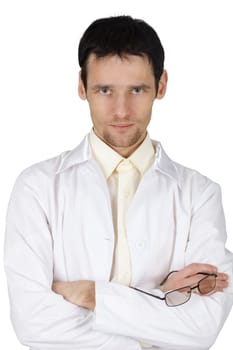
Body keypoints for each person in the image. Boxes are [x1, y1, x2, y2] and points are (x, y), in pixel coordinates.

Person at [4, 15, 233, 350]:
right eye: (105, 90)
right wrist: (159, 303)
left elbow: (201, 329)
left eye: (137, 90)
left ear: (162, 85)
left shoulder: (200, 195)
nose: (121, 110)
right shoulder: (37, 188)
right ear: (82, 87)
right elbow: (31, 323)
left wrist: (90, 294)